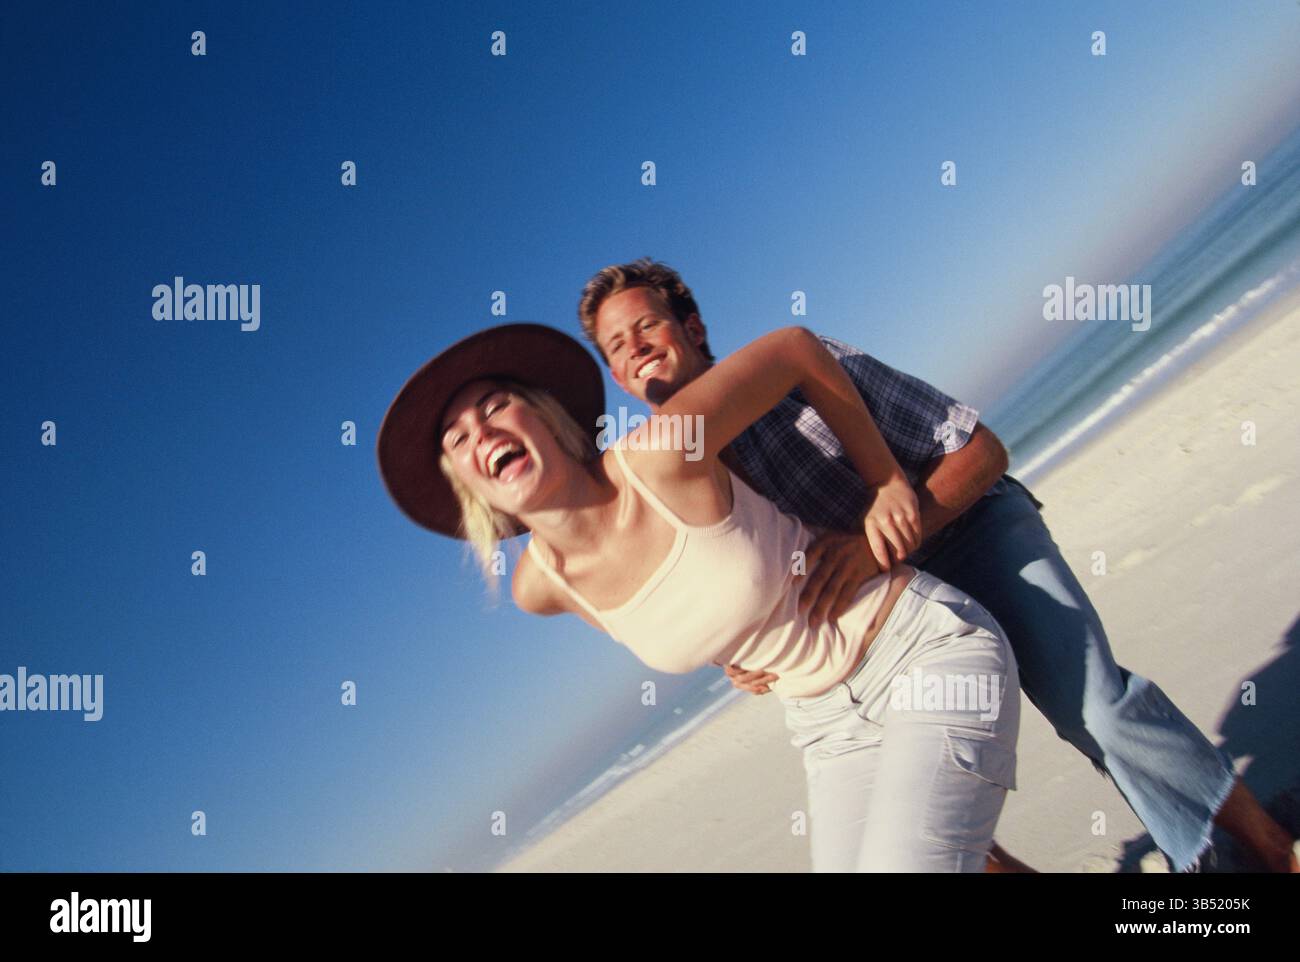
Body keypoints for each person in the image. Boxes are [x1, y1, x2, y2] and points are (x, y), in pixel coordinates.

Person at [576, 256, 1300, 874]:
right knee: (930, 813)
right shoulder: (659, 481)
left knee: (1096, 710)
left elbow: (980, 451)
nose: (635, 347)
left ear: (692, 328)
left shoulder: (807, 370)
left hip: (970, 532)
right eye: (617, 345)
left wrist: (879, 536)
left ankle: (1269, 852)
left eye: (646, 325)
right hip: (883, 615)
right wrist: (733, 658)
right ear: (614, 374)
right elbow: (701, 590)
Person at [376, 322, 1021, 872]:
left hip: (917, 651)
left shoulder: (659, 455)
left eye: (494, 407)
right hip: (825, 728)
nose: (480, 434)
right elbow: (672, 606)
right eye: (457, 439)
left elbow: (795, 349)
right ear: (467, 483)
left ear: (544, 416)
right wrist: (726, 652)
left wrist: (885, 482)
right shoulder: (541, 588)